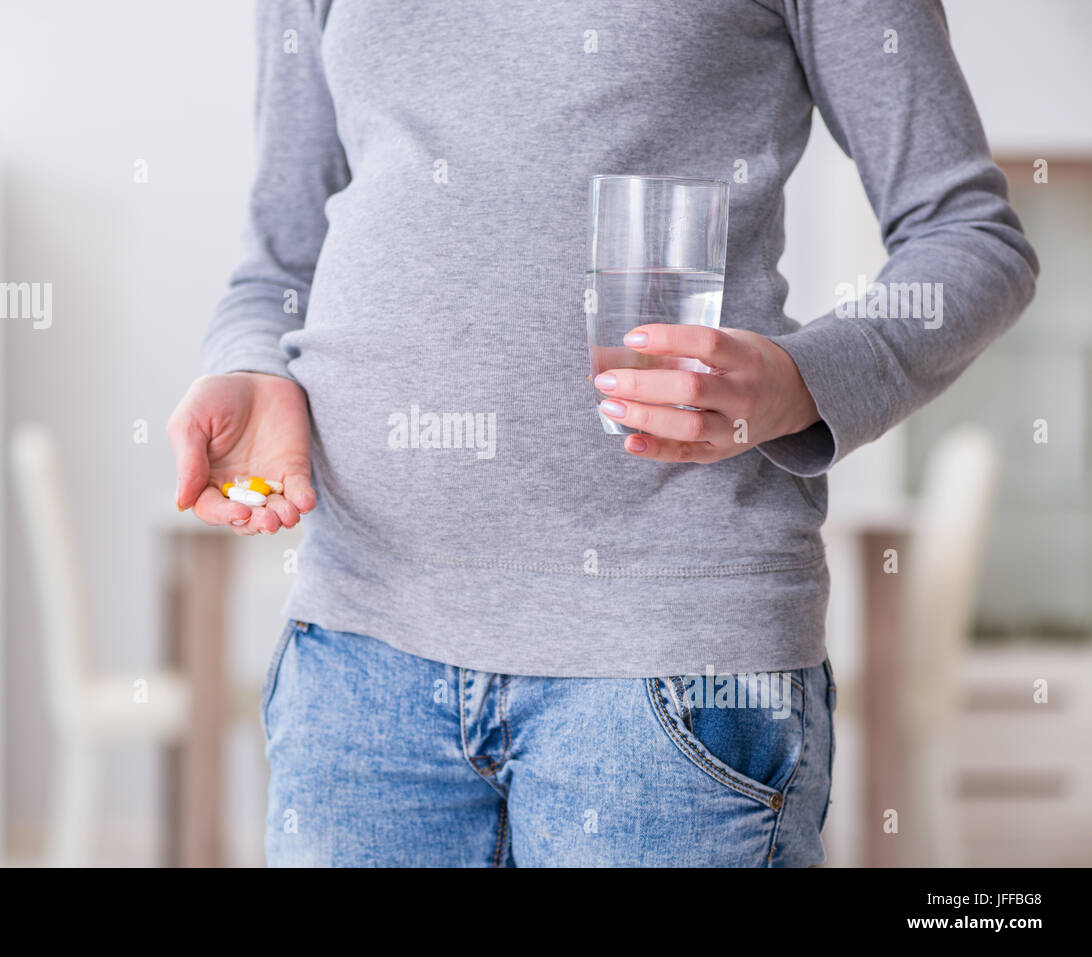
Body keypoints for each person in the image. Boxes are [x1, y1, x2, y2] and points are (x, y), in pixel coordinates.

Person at [167, 0, 1037, 866]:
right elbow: (279, 262)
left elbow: (970, 238)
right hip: (357, 658)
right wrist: (250, 363)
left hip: (668, 672)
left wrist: (801, 382)